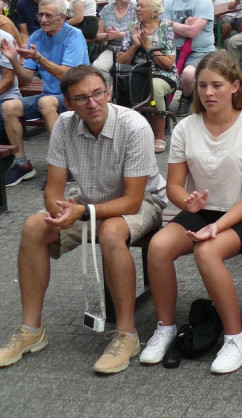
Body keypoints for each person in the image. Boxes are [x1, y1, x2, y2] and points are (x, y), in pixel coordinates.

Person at [0, 66, 166, 373]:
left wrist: (82, 212)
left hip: (143, 201)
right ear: (67, 103)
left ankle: (127, 334)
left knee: (112, 231)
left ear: (109, 92)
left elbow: (131, 200)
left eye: (97, 93)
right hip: (87, 200)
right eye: (81, 98)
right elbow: (53, 189)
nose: (92, 103)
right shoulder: (64, 125)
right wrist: (59, 212)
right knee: (34, 226)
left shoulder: (135, 126)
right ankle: (31, 329)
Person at [140, 51, 242, 373]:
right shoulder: (186, 127)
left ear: (236, 86)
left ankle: (236, 338)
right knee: (157, 247)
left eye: (217, 85)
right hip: (199, 211)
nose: (209, 93)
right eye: (202, 86)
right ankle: (165, 327)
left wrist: (218, 226)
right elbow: (173, 185)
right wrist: (187, 202)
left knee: (207, 252)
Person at [2, 0, 90, 186]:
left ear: (62, 17)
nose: (42, 19)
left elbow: (67, 75)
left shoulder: (74, 35)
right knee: (8, 107)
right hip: (49, 95)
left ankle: (62, 166)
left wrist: (39, 58)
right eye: (40, 14)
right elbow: (26, 78)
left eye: (48, 15)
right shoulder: (36, 36)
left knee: (46, 102)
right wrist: (14, 61)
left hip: (77, 95)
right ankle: (22, 164)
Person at [117, 0, 177, 152]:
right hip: (136, 73)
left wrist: (148, 46)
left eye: (142, 6)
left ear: (154, 11)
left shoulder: (166, 27)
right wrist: (136, 45)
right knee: (114, 86)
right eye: (137, 6)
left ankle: (159, 136)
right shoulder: (132, 27)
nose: (137, 9)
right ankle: (126, 134)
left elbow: (169, 63)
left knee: (155, 87)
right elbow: (121, 60)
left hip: (162, 74)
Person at [164, 0, 215, 114]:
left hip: (200, 51)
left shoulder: (203, 1)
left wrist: (173, 25)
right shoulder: (171, 2)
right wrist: (182, 26)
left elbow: (193, 32)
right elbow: (164, 33)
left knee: (188, 74)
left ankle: (187, 96)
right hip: (174, 50)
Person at [92, 0, 137, 77]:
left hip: (131, 50)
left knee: (124, 70)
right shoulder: (107, 10)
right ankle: (110, 89)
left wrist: (119, 34)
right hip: (112, 49)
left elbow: (140, 34)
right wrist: (107, 36)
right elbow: (97, 36)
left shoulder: (136, 9)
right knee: (98, 67)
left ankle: (119, 89)